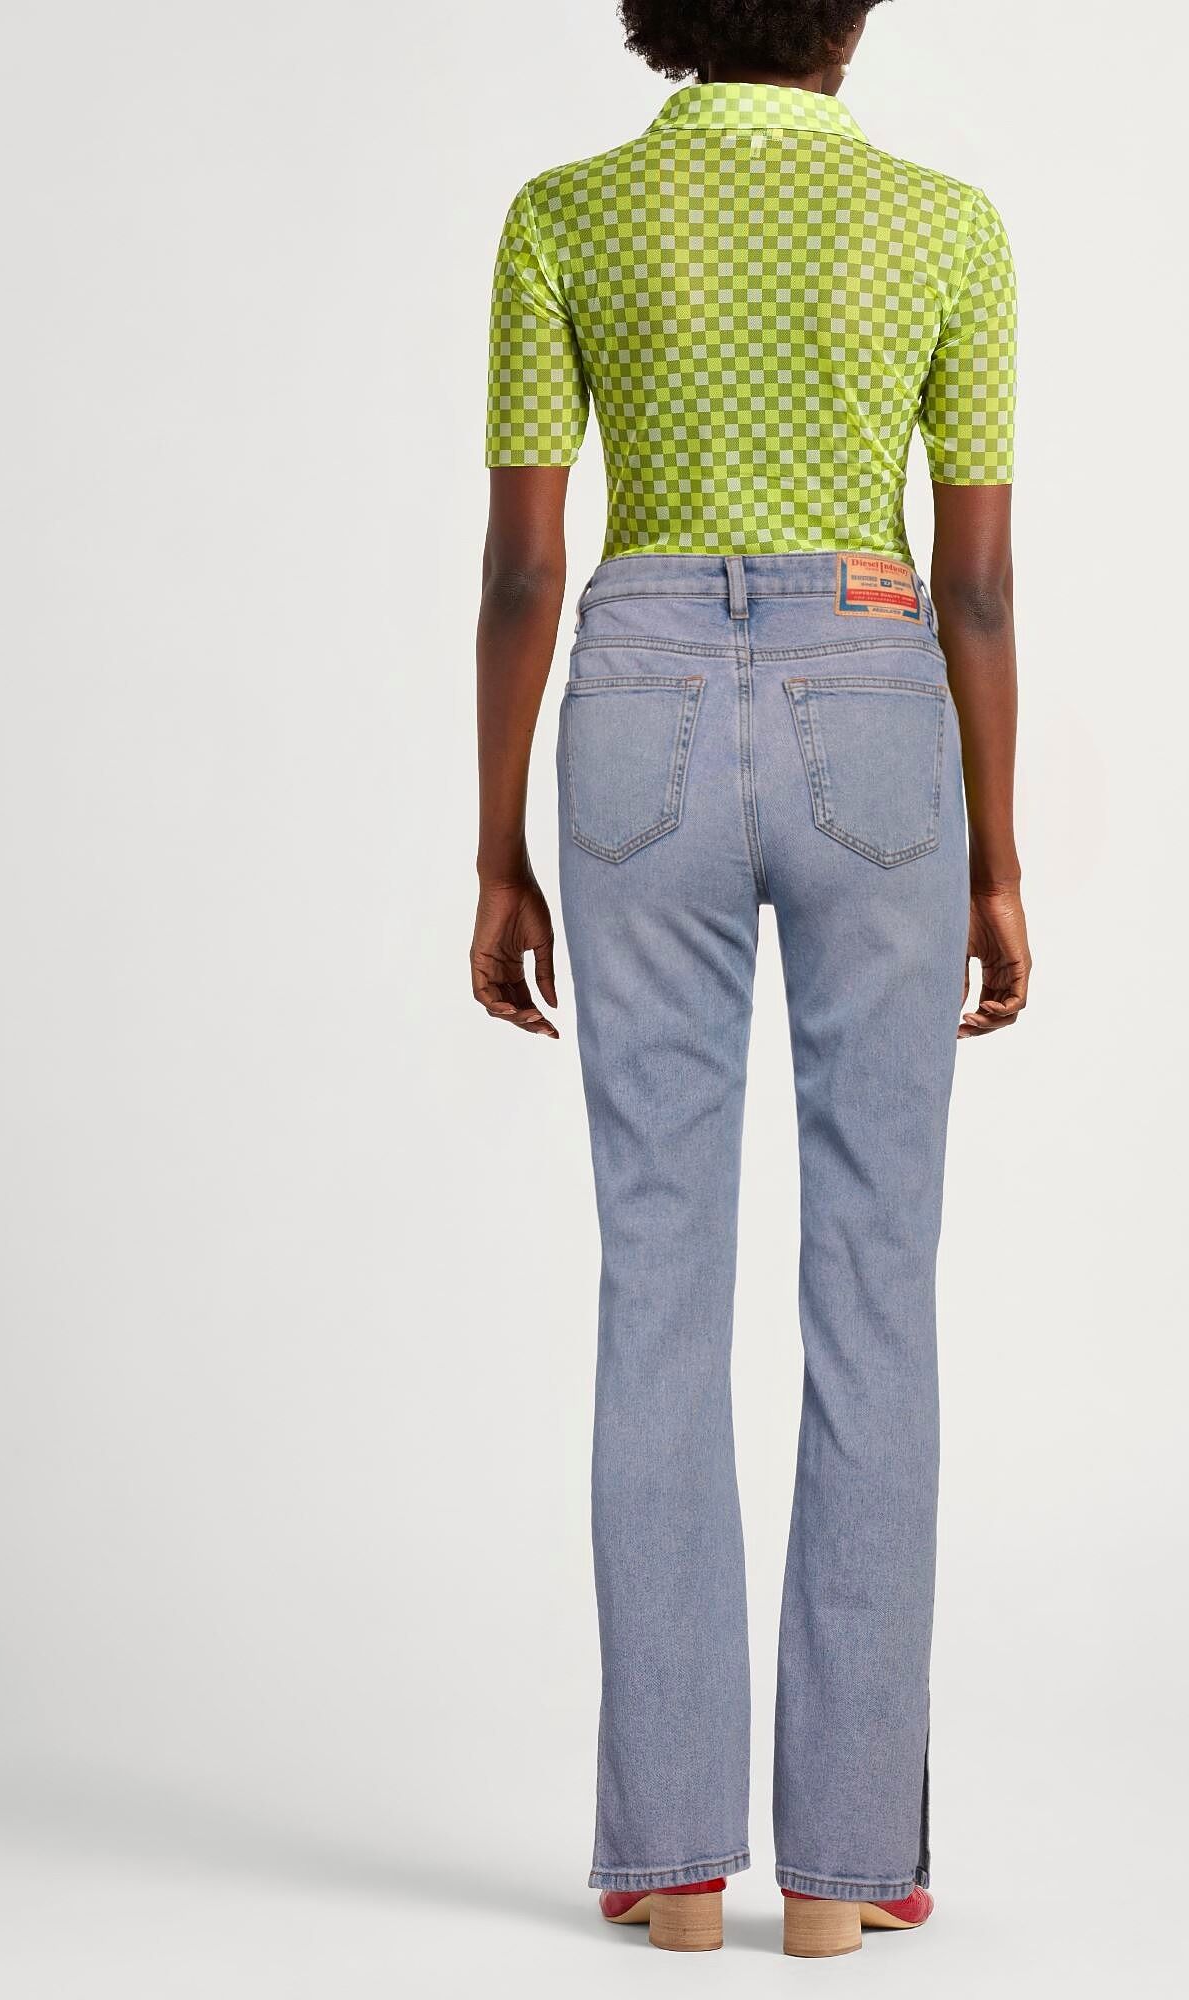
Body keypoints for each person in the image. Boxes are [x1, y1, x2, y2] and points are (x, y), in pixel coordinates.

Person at [470, 0, 1029, 1959]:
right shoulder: (947, 226)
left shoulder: (565, 216)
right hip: (875, 699)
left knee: (657, 1281)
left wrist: (496, 846)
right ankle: (849, 1873)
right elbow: (977, 584)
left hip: (631, 701)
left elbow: (522, 568)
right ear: (847, 16)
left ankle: (674, 1860)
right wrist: (998, 853)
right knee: (874, 1286)